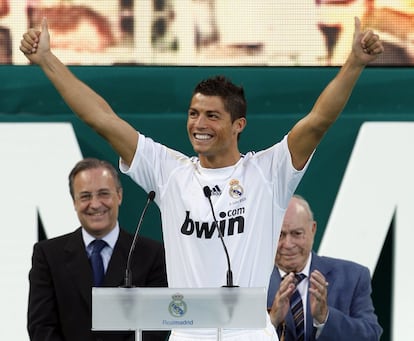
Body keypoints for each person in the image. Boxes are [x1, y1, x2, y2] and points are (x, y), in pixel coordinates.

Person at [20, 17, 383, 341]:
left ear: (238, 125)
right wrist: (48, 60)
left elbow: (318, 121)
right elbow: (101, 118)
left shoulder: (267, 173)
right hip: (188, 331)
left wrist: (354, 62)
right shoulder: (169, 172)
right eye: (194, 114)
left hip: (249, 332)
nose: (198, 125)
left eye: (212, 116)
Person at [27, 158, 169, 341]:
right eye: (85, 196)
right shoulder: (47, 254)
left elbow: (155, 326)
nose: (95, 204)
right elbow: (41, 326)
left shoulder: (151, 254)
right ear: (74, 202)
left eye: (103, 194)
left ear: (119, 195)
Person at [267, 195, 383, 340]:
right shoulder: (248, 281)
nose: (288, 244)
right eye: (280, 235)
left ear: (313, 229)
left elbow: (371, 335)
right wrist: (271, 322)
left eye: (297, 234)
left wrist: (325, 318)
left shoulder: (353, 277)